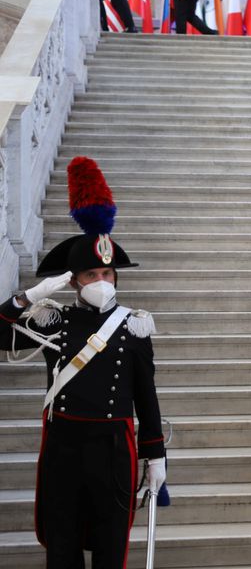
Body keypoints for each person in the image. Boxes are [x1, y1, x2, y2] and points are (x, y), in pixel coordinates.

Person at [0, 157, 165, 568]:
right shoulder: (53, 321)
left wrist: (155, 455)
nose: (101, 282)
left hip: (114, 449)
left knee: (111, 548)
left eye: (107, 274)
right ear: (73, 281)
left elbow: (146, 398)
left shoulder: (133, 326)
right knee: (63, 547)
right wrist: (30, 296)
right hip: (65, 447)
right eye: (91, 275)